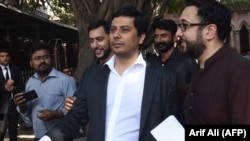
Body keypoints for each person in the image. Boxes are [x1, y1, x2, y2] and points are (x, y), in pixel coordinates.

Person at [40, 5, 177, 141]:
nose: (116, 35)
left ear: (141, 37)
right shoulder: (93, 76)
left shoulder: (163, 79)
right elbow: (74, 117)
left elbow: (171, 131)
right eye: (113, 30)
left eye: (125, 30)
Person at [176, 0, 250, 124]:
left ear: (210, 31)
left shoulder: (240, 72)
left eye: (184, 25)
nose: (178, 33)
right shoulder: (200, 69)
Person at [13, 41, 77, 140]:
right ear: (31, 63)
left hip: (61, 136)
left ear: (51, 59)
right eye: (37, 58)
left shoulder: (66, 80)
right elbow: (28, 112)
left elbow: (76, 110)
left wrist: (55, 114)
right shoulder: (30, 82)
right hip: (39, 136)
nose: (42, 61)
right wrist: (21, 106)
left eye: (46, 57)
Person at [150, 19, 198, 103]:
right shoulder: (152, 63)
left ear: (174, 37)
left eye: (164, 36)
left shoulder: (187, 63)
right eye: (156, 36)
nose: (159, 40)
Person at [0, 47, 25, 141]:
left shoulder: (15, 69)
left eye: (7, 56)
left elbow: (21, 86)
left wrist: (14, 88)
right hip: (1, 107)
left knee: (13, 132)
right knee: (1, 132)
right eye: (2, 56)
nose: (5, 58)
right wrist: (4, 87)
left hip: (14, 105)